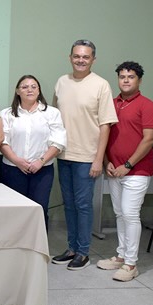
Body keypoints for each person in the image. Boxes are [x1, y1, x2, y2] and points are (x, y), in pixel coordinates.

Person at [52, 40, 118, 271]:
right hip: (63, 154)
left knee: (83, 205)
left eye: (86, 57)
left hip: (87, 157)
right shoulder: (61, 82)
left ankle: (83, 251)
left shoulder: (101, 85)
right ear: (70, 57)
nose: (81, 60)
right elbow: (53, 119)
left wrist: (99, 159)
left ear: (93, 60)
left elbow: (105, 126)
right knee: (68, 204)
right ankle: (71, 249)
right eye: (77, 56)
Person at [98, 61, 153, 281]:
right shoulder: (111, 104)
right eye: (122, 76)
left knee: (130, 214)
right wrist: (107, 162)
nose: (125, 80)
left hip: (136, 171)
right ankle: (121, 256)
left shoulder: (147, 105)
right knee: (120, 214)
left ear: (139, 80)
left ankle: (131, 264)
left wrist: (128, 165)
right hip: (114, 171)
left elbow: (149, 139)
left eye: (130, 77)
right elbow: (104, 136)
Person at [0, 75, 66, 228]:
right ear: (17, 91)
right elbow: (2, 141)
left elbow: (58, 141)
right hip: (13, 168)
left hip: (42, 170)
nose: (29, 89)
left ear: (39, 90)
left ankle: (38, 250)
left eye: (33, 86)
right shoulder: (7, 114)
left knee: (39, 209)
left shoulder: (52, 113)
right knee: (15, 211)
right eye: (24, 87)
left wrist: (41, 161)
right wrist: (17, 160)